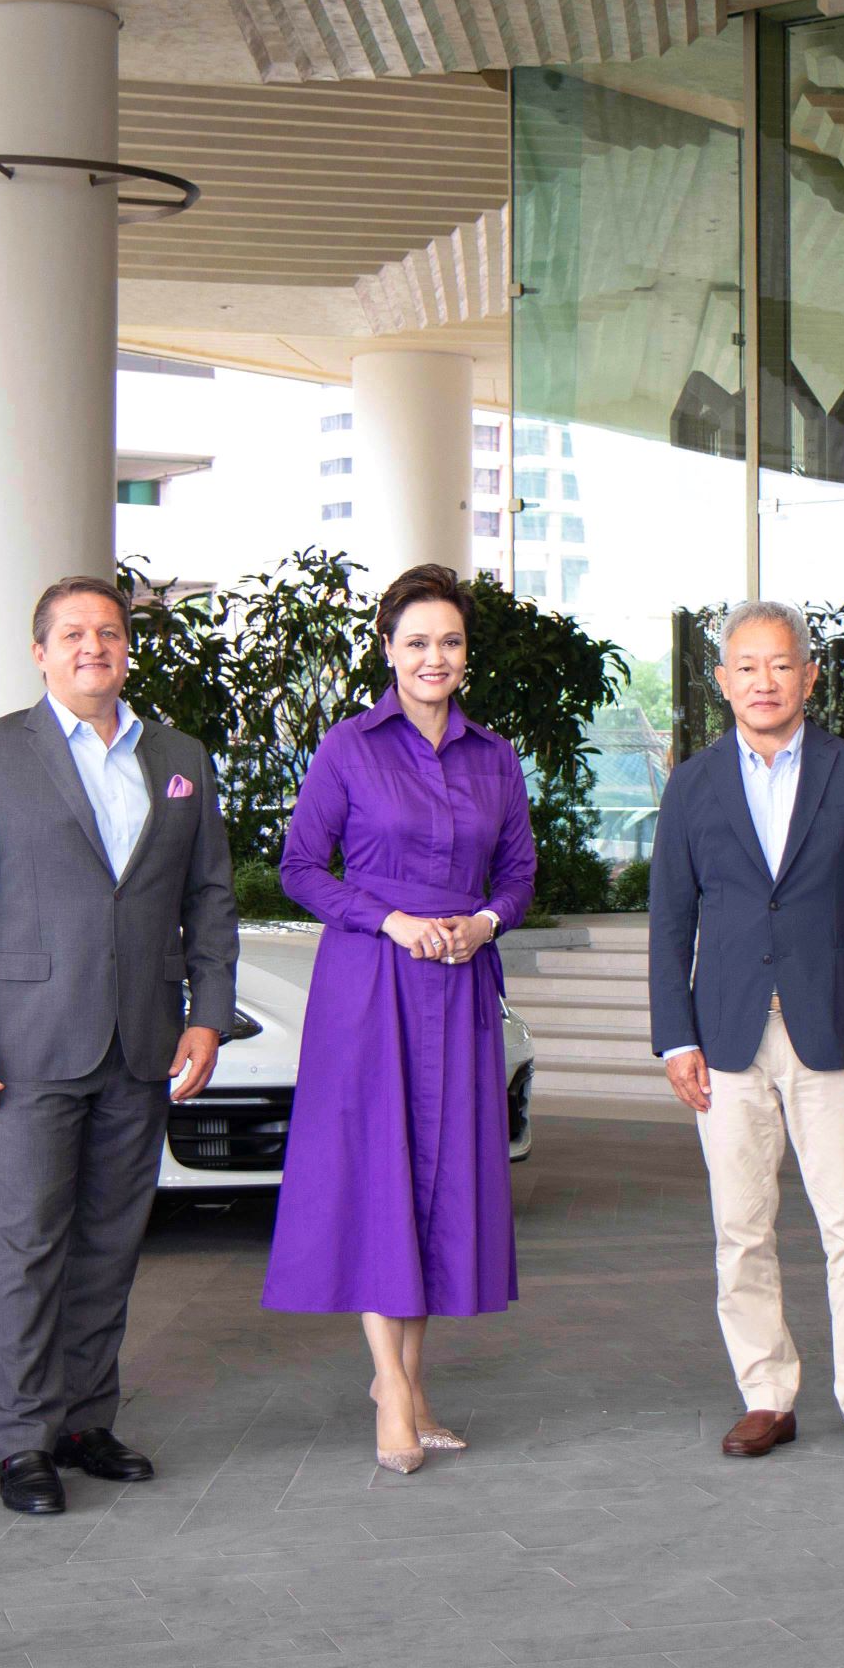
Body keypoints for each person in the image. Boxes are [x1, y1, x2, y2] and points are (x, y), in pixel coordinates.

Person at [0, 576, 240, 1516]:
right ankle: (22, 1441)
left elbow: (207, 898)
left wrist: (208, 1011)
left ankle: (82, 1419)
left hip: (141, 1039)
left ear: (127, 649)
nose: (92, 646)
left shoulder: (179, 757)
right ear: (41, 651)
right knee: (26, 1244)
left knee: (109, 1243)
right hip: (27, 1045)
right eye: (72, 633)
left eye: (108, 632)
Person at [263, 564, 535, 1475]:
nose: (434, 657)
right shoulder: (348, 747)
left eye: (449, 642)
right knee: (381, 1180)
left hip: (458, 988)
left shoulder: (495, 757)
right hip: (371, 984)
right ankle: (389, 1388)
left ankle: (409, 1390)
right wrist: (392, 919)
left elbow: (518, 875)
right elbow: (302, 867)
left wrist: (484, 923)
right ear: (387, 650)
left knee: (438, 1184)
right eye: (416, 641)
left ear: (466, 655)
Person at [647, 600, 844, 1469]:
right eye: (746, 666)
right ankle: (765, 1394)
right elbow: (669, 924)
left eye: (781, 665)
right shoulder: (692, 784)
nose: (763, 681)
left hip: (830, 1030)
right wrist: (673, 1037)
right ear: (722, 681)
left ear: (809, 676)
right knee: (742, 1229)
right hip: (723, 1035)